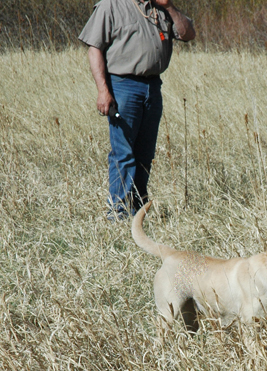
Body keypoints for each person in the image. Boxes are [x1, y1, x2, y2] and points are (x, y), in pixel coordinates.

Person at [79, 0, 195, 220]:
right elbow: (94, 49)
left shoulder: (160, 8)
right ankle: (118, 212)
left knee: (145, 154)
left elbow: (188, 34)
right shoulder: (110, 5)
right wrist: (103, 91)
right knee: (123, 153)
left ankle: (138, 210)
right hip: (122, 85)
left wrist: (169, 7)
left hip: (152, 86)